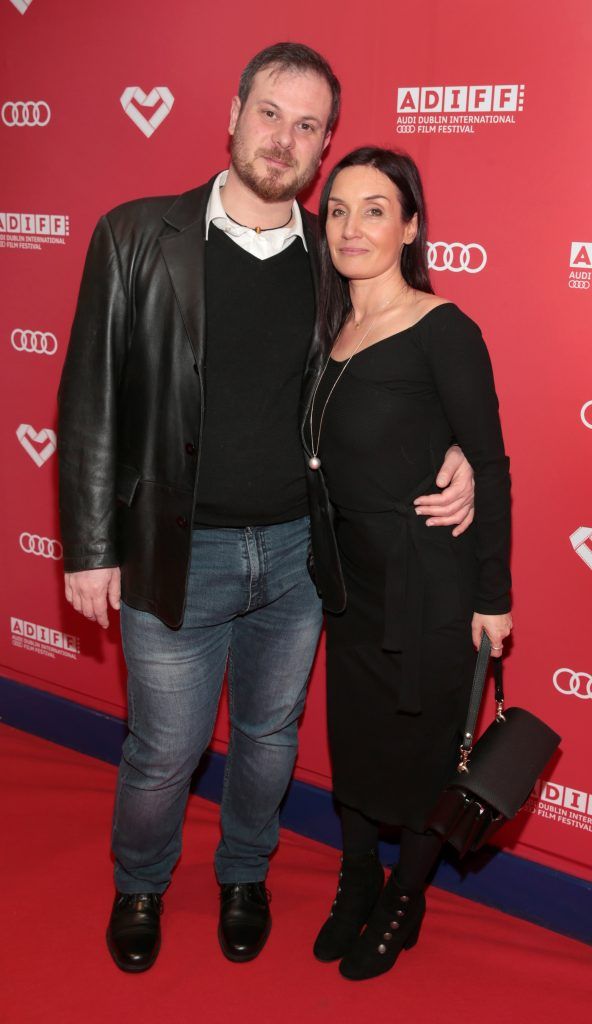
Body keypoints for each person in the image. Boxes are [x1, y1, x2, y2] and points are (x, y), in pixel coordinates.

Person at [57, 48, 474, 975]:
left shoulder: (333, 258)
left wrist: (457, 450)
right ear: (235, 112)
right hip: (176, 553)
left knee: (268, 738)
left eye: (309, 125)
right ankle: (142, 882)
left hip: (297, 554)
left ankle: (246, 873)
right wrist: (89, 546)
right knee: (164, 751)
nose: (284, 138)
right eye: (272, 113)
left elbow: (398, 363)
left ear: (324, 147)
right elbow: (90, 397)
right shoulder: (135, 235)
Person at [305, 147, 512, 981]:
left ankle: (404, 899)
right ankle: (358, 881)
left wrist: (493, 599)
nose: (353, 227)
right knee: (355, 749)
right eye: (339, 210)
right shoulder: (332, 329)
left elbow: (490, 465)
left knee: (429, 757)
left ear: (412, 226)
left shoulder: (444, 327)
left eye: (376, 209)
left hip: (431, 586)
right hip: (351, 586)